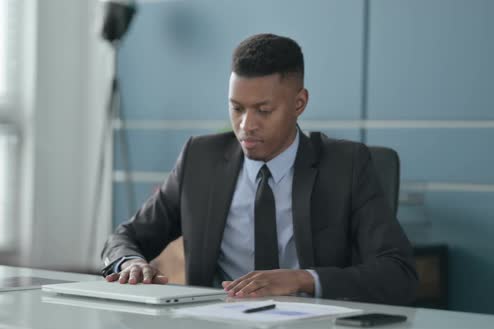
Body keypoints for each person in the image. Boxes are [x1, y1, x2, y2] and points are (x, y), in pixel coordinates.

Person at [101, 33, 418, 304]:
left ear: (299, 103)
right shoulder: (200, 159)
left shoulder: (346, 166)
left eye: (263, 111)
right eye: (236, 108)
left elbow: (398, 272)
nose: (246, 125)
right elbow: (125, 238)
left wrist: (303, 279)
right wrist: (130, 263)